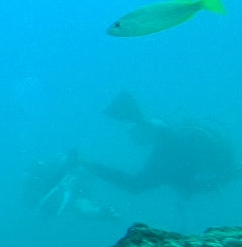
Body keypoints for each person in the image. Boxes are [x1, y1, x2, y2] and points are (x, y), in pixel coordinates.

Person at [79, 91, 238, 196]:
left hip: (213, 171)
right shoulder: (176, 137)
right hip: (215, 167)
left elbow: (135, 185)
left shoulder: (167, 151)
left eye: (133, 131)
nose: (131, 137)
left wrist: (89, 165)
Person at [23, 150, 119, 222]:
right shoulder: (46, 172)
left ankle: (107, 213)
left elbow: (85, 208)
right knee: (85, 208)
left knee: (84, 206)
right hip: (54, 196)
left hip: (63, 195)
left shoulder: (77, 186)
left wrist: (102, 213)